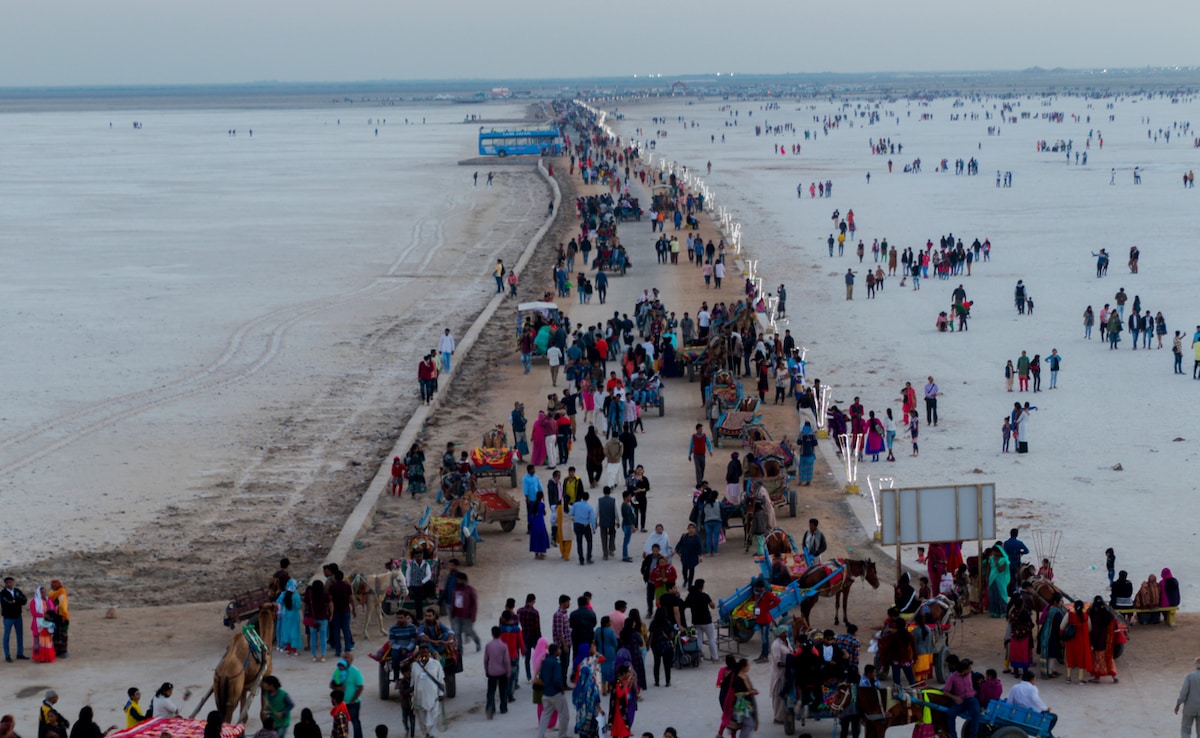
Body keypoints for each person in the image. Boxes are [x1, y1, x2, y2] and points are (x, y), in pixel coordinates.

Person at [537, 643, 571, 738]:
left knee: (545, 715)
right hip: (556, 693)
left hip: (546, 693)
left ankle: (540, 735)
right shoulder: (556, 664)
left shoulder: (544, 662)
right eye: (558, 650)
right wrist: (561, 688)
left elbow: (541, 677)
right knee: (564, 715)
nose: (560, 651)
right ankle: (562, 735)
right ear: (555, 652)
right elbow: (557, 680)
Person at [411, 644, 445, 737]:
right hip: (419, 698)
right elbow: (412, 681)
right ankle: (426, 734)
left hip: (433, 696)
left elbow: (440, 679)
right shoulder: (415, 666)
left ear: (429, 652)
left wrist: (441, 693)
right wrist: (411, 694)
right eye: (421, 652)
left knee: (434, 716)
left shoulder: (436, 664)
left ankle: (431, 734)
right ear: (419, 654)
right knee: (422, 719)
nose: (424, 653)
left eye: (425, 651)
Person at [943, 658, 981, 738]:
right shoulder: (953, 677)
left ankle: (973, 736)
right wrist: (955, 698)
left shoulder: (971, 674)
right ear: (964, 670)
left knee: (976, 713)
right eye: (969, 668)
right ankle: (953, 736)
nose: (971, 669)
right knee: (950, 714)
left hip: (971, 699)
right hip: (961, 701)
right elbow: (945, 691)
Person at [329, 656, 364, 738]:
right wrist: (337, 688)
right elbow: (331, 684)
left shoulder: (355, 672)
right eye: (344, 657)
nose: (345, 659)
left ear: (351, 660)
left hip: (352, 703)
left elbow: (360, 687)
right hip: (341, 703)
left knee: (355, 722)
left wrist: (353, 700)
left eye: (347, 658)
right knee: (340, 723)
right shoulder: (338, 670)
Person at [1087, 597, 1119, 683]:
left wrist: (1091, 641)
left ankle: (1097, 678)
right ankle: (1114, 676)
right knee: (1109, 658)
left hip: (1098, 641)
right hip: (1108, 641)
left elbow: (1094, 630)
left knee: (1098, 659)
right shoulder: (1108, 615)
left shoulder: (1094, 616)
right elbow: (1115, 626)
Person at [750, 579, 780, 664]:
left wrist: (768, 607)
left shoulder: (766, 594)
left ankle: (765, 656)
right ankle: (763, 655)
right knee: (763, 638)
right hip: (760, 619)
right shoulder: (759, 594)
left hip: (765, 620)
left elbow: (777, 600)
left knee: (765, 639)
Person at [1062, 600, 1091, 684]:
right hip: (1081, 641)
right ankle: (1080, 679)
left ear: (1074, 607)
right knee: (1081, 659)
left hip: (1071, 641)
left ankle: (1068, 678)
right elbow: (1089, 629)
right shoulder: (1086, 616)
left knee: (1070, 658)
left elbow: (1062, 627)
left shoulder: (1069, 615)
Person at [483, 626, 510, 719]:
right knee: (503, 690)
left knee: (491, 691)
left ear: (492, 634)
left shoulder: (488, 645)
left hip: (491, 671)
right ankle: (503, 708)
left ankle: (490, 707)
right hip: (502, 671)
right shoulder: (503, 646)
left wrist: (486, 670)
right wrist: (508, 672)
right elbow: (506, 661)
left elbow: (486, 660)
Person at [572, 664, 603, 737]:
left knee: (583, 734)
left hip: (580, 715)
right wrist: (600, 709)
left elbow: (574, 700)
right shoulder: (592, 685)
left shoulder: (578, 685)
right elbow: (596, 699)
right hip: (591, 714)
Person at [1, 577, 28, 662]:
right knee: (7, 636)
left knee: (19, 635)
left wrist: (15, 601)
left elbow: (24, 600)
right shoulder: (2, 593)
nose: (9, 584)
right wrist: (17, 601)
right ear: (5, 584)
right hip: (8, 617)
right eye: (8, 582)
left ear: (13, 583)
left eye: (11, 582)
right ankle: (7, 655)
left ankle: (20, 653)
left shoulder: (17, 591)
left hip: (18, 616)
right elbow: (7, 604)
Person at [28, 587, 56, 663]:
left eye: (44, 592)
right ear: (38, 593)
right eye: (41, 592)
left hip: (47, 623)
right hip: (38, 624)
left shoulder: (49, 600)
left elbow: (53, 609)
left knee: (47, 641)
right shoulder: (34, 601)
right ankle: (40, 657)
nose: (43, 594)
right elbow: (33, 613)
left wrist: (50, 616)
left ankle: (47, 657)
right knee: (38, 641)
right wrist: (43, 615)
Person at [1176, 657, 1200, 737]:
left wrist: (1178, 704)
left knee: (1185, 729)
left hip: (1189, 708)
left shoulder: (1190, 676)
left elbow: (1184, 693)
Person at [46, 580, 69, 658]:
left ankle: (56, 651)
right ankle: (63, 651)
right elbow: (62, 606)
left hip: (53, 616)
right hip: (61, 616)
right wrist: (64, 615)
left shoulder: (50, 593)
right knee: (63, 634)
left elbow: (49, 605)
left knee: (55, 633)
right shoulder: (62, 592)